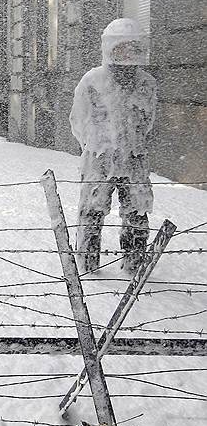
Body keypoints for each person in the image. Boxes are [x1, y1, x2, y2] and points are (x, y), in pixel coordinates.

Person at [70, 18, 157, 275]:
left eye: (132, 48)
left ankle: (134, 261)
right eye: (122, 48)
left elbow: (148, 120)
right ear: (109, 49)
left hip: (135, 157)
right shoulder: (92, 81)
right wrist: (97, 145)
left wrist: (131, 142)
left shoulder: (146, 83)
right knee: (92, 210)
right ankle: (87, 261)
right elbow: (79, 119)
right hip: (99, 157)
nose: (127, 55)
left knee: (137, 211)